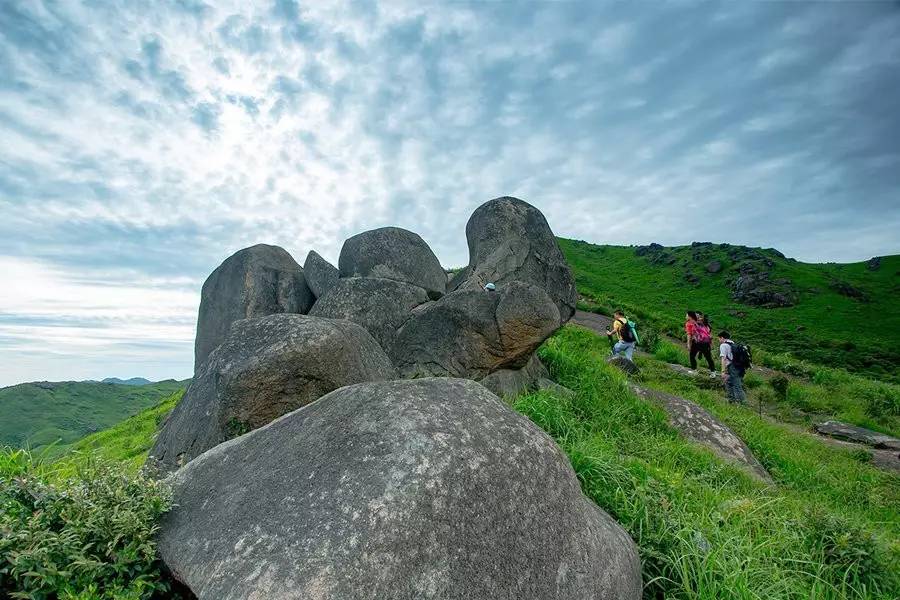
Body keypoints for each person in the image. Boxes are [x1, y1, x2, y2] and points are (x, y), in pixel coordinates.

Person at [718, 330, 747, 404]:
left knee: (737, 385)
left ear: (722, 337)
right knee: (729, 382)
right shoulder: (733, 344)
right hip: (739, 367)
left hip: (733, 367)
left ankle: (742, 403)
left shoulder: (723, 345)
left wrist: (723, 371)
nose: (719, 340)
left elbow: (723, 358)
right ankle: (731, 400)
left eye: (719, 338)